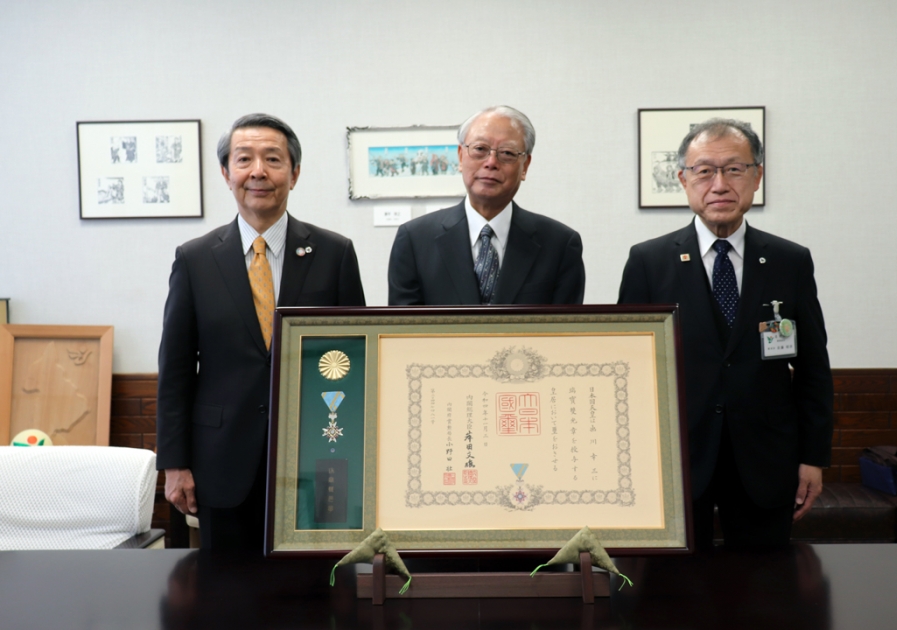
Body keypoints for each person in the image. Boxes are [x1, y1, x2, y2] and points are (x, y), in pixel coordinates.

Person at [618, 118, 833, 549]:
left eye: (734, 169)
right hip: (677, 461)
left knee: (767, 595)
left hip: (767, 460)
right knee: (674, 597)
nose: (719, 184)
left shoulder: (790, 261)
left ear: (756, 178)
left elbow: (813, 368)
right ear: (683, 179)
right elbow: (630, 374)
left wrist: (813, 457)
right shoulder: (648, 262)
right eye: (704, 170)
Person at [157, 113, 365, 552]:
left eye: (273, 159)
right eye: (244, 159)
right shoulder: (195, 260)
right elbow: (175, 369)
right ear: (226, 173)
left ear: (295, 172)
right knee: (225, 596)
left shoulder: (334, 253)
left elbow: (355, 361)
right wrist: (174, 464)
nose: (258, 171)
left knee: (315, 593)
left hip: (318, 456)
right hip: (221, 459)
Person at [387, 105, 585, 305]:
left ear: (525, 166)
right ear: (461, 157)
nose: (491, 162)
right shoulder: (414, 240)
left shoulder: (560, 245)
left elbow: (564, 333)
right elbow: (402, 333)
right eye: (480, 149)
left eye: (507, 153)